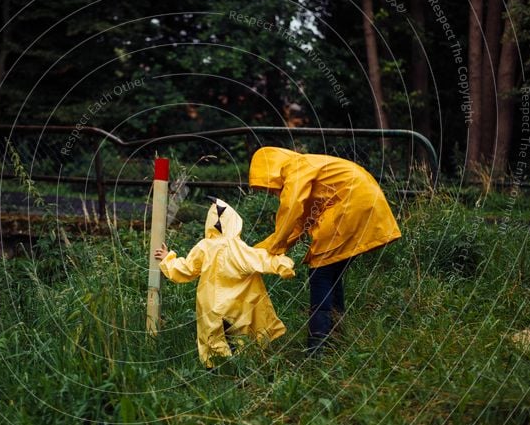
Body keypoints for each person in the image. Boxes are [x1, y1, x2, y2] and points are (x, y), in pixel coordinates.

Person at [248, 147, 401, 353]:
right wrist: (259, 251)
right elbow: (298, 225)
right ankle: (336, 339)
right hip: (361, 203)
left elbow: (291, 208)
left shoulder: (296, 168)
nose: (272, 192)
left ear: (271, 170)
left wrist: (274, 247)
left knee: (321, 275)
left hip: (349, 206)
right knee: (331, 273)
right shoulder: (310, 169)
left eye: (269, 186)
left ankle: (316, 348)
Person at [154, 197, 295, 367]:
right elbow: (262, 258)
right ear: (233, 221)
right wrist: (284, 265)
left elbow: (186, 269)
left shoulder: (204, 246)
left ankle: (217, 368)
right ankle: (244, 367)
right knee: (243, 337)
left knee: (213, 338)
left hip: (211, 304)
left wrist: (168, 259)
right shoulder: (238, 247)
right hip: (237, 305)